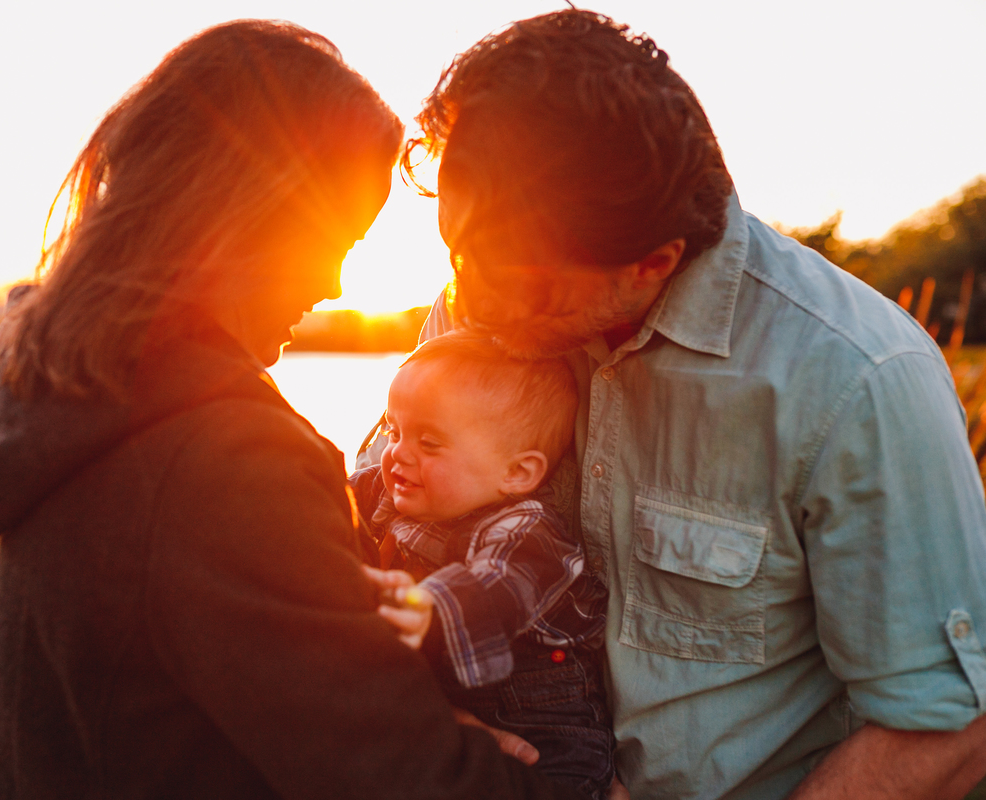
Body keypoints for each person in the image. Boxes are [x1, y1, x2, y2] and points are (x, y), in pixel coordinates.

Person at [0, 21, 585, 799]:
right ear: (247, 223)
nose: (336, 287)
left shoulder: (57, 380)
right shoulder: (227, 460)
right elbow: (391, 776)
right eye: (334, 240)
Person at [364, 9, 986, 799]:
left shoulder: (857, 381)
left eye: (526, 288)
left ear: (650, 264)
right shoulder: (481, 302)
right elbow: (390, 526)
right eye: (458, 249)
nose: (469, 301)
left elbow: (946, 725)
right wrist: (435, 722)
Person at [351, 331, 613, 798]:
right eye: (395, 431)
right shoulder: (395, 489)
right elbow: (330, 495)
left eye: (429, 442)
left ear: (517, 472)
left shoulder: (527, 532)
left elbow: (496, 587)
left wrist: (427, 607)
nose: (398, 453)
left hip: (548, 739)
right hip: (451, 716)